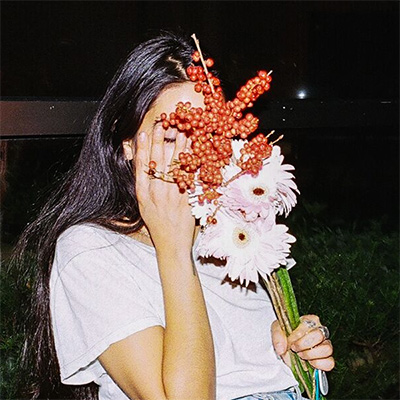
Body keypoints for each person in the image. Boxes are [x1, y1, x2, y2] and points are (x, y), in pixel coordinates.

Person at [15, 31, 334, 400]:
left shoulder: (234, 225)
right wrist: (173, 248)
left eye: (206, 135)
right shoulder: (90, 249)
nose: (191, 155)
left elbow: (263, 361)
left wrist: (298, 341)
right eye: (171, 137)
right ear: (128, 144)